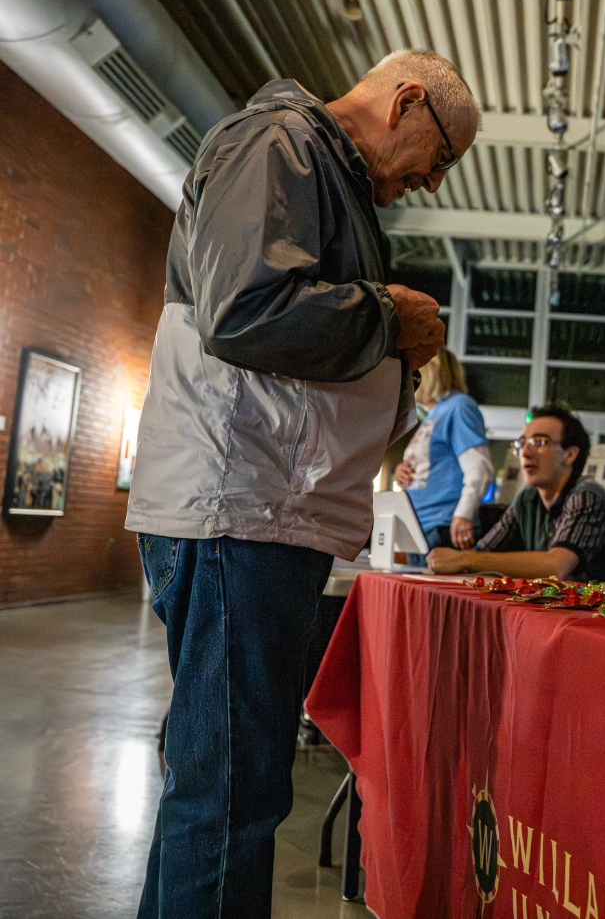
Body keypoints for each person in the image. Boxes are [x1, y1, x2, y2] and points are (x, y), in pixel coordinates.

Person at [125, 49, 478, 919]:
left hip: (259, 512)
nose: (429, 184)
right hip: (235, 511)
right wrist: (386, 316)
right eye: (437, 161)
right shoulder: (281, 144)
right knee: (232, 801)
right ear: (406, 102)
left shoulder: (317, 168)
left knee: (220, 792)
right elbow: (246, 310)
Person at [427, 404, 605, 588]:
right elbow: (483, 554)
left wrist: (464, 559)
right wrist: (458, 561)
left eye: (539, 442)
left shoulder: (587, 495)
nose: (526, 453)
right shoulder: (528, 498)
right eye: (522, 444)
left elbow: (556, 566)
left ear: (570, 454)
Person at [394, 347, 493, 557]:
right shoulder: (434, 415)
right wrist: (405, 471)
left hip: (444, 526)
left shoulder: (459, 407)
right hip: (422, 527)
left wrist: (463, 514)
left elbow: (479, 468)